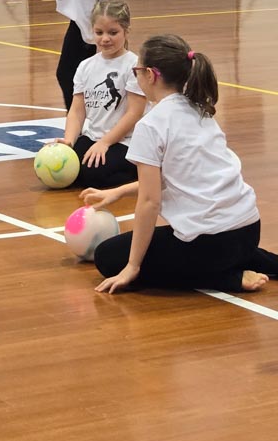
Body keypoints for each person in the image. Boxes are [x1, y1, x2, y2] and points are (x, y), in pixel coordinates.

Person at [82, 33, 278, 294]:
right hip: (248, 229)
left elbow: (150, 202)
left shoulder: (151, 125)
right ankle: (255, 261)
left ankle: (224, 279)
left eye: (136, 71)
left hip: (211, 243)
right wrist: (118, 192)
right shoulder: (200, 109)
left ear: (150, 75)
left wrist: (132, 266)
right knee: (215, 245)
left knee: (108, 256)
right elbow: (178, 174)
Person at [56, 0, 145, 189]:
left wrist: (105, 142)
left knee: (93, 174)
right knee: (65, 168)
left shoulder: (133, 65)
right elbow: (77, 111)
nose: (105, 39)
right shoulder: (85, 66)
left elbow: (134, 113)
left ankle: (144, 170)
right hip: (93, 137)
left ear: (126, 31)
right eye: (99, 32)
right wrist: (68, 142)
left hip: (125, 141)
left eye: (113, 32)